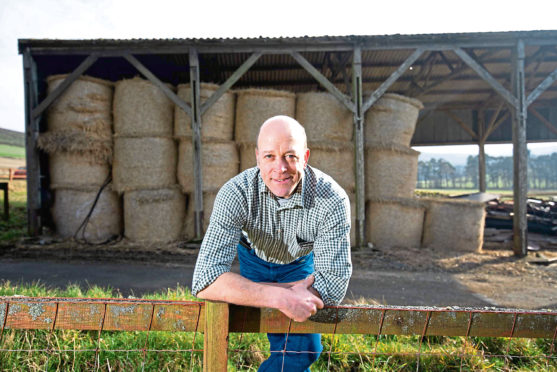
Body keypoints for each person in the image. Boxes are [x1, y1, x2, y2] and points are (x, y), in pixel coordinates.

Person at [192, 115, 352, 371]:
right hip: (254, 259)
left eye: (290, 156)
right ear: (257, 157)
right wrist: (280, 296)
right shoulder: (235, 193)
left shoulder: (331, 199)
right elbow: (204, 280)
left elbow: (332, 284)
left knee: (305, 349)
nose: (280, 168)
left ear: (306, 156)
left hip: (298, 265)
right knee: (287, 344)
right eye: (269, 156)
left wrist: (257, 292)